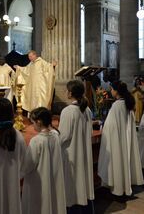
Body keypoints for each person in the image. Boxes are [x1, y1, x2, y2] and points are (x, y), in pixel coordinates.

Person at [98, 80, 144, 196]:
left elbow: (110, 127)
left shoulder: (116, 106)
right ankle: (125, 188)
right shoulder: (127, 104)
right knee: (125, 162)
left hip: (118, 141)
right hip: (126, 140)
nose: (111, 91)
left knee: (118, 163)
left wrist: (102, 126)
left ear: (116, 91)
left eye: (112, 89)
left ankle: (118, 189)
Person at [21, 107, 66, 214]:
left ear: (39, 122)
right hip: (53, 177)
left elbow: (28, 165)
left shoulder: (37, 141)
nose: (32, 126)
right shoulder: (55, 135)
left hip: (39, 182)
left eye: (33, 123)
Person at [58, 80, 94, 209]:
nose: (65, 91)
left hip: (71, 152)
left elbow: (64, 136)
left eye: (66, 90)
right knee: (81, 178)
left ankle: (72, 206)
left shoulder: (68, 111)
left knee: (72, 181)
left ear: (70, 93)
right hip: (83, 150)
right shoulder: (87, 109)